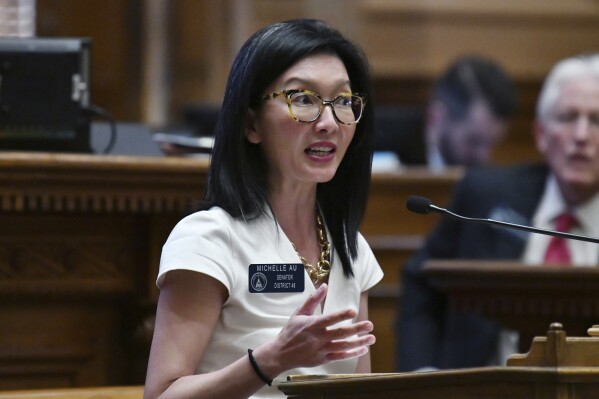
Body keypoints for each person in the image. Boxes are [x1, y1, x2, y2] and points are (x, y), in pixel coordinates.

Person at [144, 19, 384, 399]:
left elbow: (360, 391)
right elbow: (161, 395)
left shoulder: (352, 249)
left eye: (342, 101)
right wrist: (270, 361)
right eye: (303, 99)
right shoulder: (208, 240)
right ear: (251, 123)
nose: (328, 122)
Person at [395, 53, 599, 371]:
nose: (582, 136)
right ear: (541, 135)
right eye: (568, 118)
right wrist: (422, 378)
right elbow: (421, 282)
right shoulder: (485, 195)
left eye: (597, 120)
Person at [376, 55, 517, 168]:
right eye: (474, 141)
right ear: (436, 116)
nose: (484, 156)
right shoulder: (379, 143)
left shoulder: (481, 177)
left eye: (492, 144)